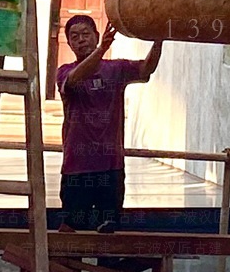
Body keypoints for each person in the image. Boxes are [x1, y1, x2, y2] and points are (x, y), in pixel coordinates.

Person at [56, 15, 162, 234]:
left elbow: (145, 70)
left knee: (109, 229)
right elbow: (74, 79)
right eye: (74, 37)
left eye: (86, 34)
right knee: (71, 230)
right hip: (78, 166)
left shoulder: (116, 69)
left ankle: (107, 270)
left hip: (110, 165)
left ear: (96, 36)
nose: (81, 40)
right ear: (69, 43)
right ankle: (65, 269)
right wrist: (101, 50)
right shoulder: (64, 72)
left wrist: (159, 41)